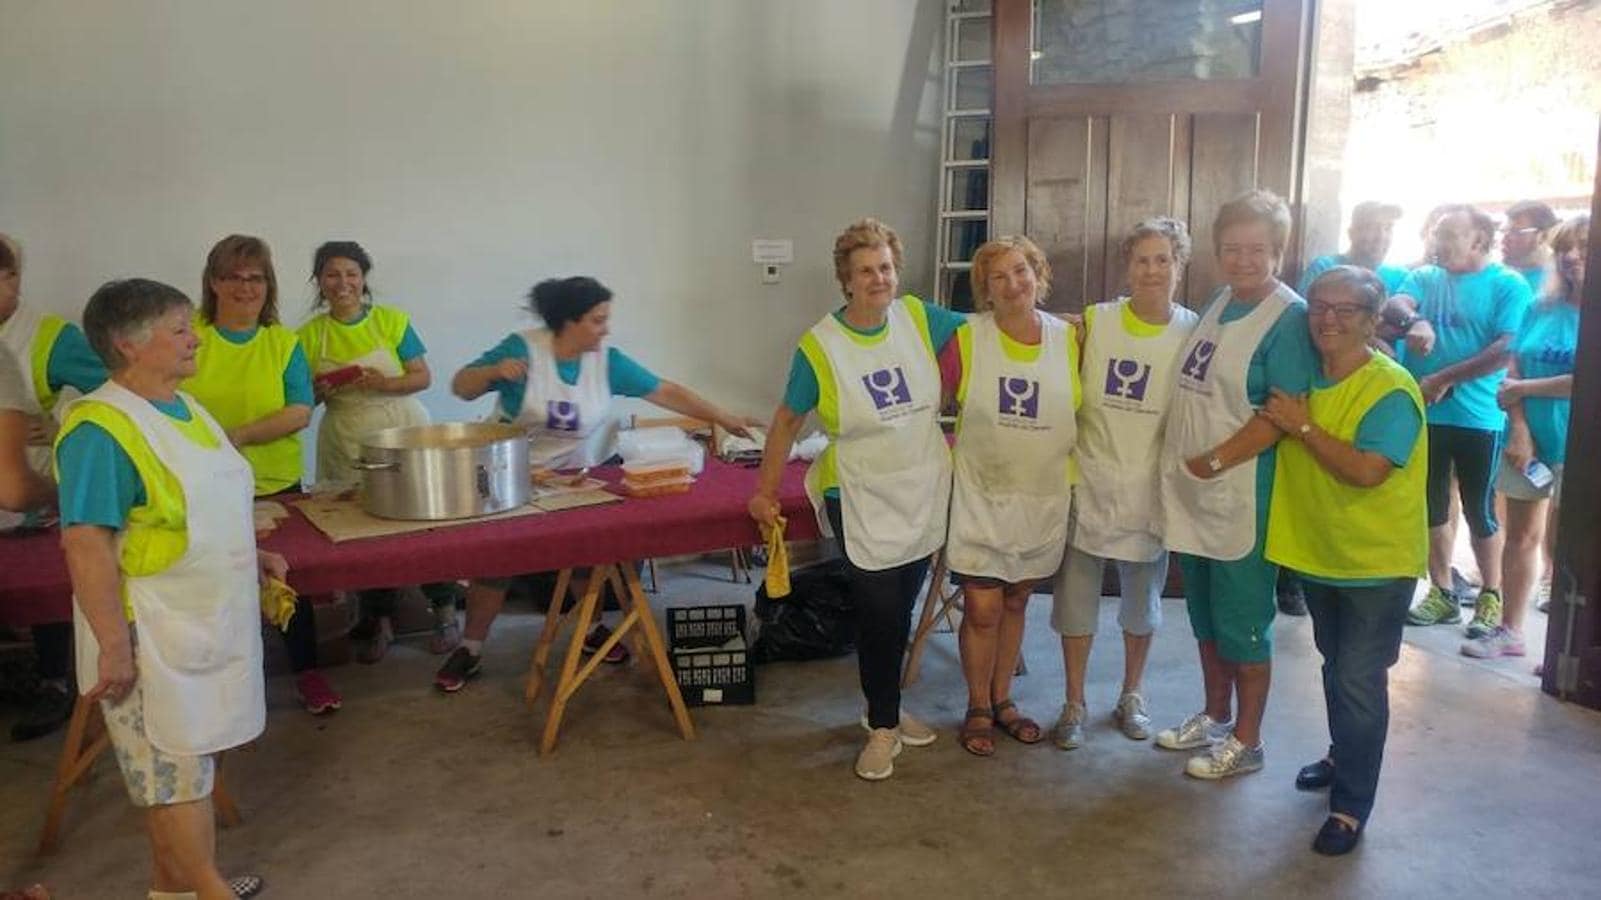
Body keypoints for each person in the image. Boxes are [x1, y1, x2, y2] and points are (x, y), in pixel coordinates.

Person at [57, 278, 269, 898]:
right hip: (151, 637)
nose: (195, 338)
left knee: (195, 766)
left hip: (209, 621)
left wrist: (255, 555)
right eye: (179, 329)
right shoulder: (101, 428)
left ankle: (170, 891)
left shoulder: (187, 409)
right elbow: (86, 543)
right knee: (171, 780)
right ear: (128, 343)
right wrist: (113, 646)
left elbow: (199, 509)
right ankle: (209, 889)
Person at [437, 275, 751, 692]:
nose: (606, 329)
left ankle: (591, 631)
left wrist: (725, 417)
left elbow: (667, 391)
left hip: (577, 475)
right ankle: (471, 648)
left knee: (590, 555)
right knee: (496, 566)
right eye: (597, 320)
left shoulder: (608, 361)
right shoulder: (523, 348)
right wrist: (494, 372)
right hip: (511, 474)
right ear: (568, 322)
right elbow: (460, 386)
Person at [748, 218, 964, 781]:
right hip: (860, 493)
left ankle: (881, 711)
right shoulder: (821, 346)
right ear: (846, 280)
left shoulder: (919, 317)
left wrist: (1058, 326)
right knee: (879, 612)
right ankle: (885, 725)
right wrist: (764, 491)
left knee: (901, 608)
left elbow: (991, 333)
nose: (879, 279)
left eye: (886, 267)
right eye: (866, 271)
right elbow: (788, 419)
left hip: (920, 487)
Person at [1262, 265, 1427, 856]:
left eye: (1345, 310)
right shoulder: (1312, 377)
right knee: (1337, 666)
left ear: (1373, 320)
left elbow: (1366, 471)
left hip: (1376, 565)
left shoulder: (1390, 389)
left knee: (1358, 680)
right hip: (1323, 554)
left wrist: (1301, 425)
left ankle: (1351, 807)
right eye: (1319, 307)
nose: (1328, 319)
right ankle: (1341, 756)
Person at [1155, 189, 1317, 780]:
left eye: (1256, 250)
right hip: (1196, 490)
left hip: (1242, 494)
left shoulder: (1289, 318)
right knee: (1203, 615)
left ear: (1278, 249)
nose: (1242, 260)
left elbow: (1281, 413)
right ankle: (1215, 714)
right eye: (1231, 249)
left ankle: (1248, 741)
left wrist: (1216, 461)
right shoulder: (1221, 300)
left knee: (1245, 623)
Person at [1051, 218, 1199, 750]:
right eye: (1143, 259)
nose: (1153, 270)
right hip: (1090, 481)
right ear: (1127, 265)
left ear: (1180, 266)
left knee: (1142, 603)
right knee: (1076, 601)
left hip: (1149, 491)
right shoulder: (1096, 322)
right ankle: (1073, 701)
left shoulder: (1192, 332)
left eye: (1164, 260)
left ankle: (1131, 694)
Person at [181, 235, 339, 716]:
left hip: (274, 485)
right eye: (233, 277)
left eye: (256, 278)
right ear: (213, 282)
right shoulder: (190, 335)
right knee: (212, 584)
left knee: (290, 586)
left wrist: (237, 436)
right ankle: (220, 685)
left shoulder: (282, 342)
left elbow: (299, 410)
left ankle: (307, 671)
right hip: (201, 485)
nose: (245, 287)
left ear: (268, 285)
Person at [943, 236, 1077, 757]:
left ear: (1037, 275)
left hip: (1041, 496)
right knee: (981, 608)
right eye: (999, 277)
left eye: (1021, 271)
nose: (1013, 283)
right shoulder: (966, 338)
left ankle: (1004, 700)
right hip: (983, 495)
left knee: (1018, 599)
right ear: (985, 290)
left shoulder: (1070, 339)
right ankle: (976, 704)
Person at [297, 241, 461, 661]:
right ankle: (379, 620)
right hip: (346, 434)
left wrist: (381, 383)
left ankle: (443, 609)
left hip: (403, 427)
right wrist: (321, 389)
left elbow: (422, 376)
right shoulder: (307, 335)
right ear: (319, 281)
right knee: (362, 532)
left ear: (364, 278)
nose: (343, 283)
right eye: (332, 274)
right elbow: (302, 400)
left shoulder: (392, 321)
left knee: (425, 524)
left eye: (351, 274)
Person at [1385, 206, 1534, 637]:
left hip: (1478, 417)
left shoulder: (1507, 284)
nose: (1440, 241)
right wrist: (1416, 320)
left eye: (1450, 233)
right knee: (1431, 506)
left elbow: (1506, 347)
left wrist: (1443, 377)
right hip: (1426, 414)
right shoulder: (1427, 278)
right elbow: (1398, 303)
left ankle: (1490, 595)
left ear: (1479, 241)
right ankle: (1443, 592)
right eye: (1436, 233)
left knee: (1479, 509)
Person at [0, 233, 109, 742]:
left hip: (31, 495)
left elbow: (115, 395)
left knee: (47, 594)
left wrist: (60, 423)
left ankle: (52, 679)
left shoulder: (50, 336)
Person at [1467, 213, 1587, 659]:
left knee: (1570, 546)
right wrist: (1519, 428)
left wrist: (1524, 389)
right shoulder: (1541, 306)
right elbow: (1513, 368)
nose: (1572, 257)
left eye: (1584, 247)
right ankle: (1510, 631)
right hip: (1529, 444)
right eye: (1564, 250)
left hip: (1582, 447)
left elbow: (1585, 379)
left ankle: (1564, 650)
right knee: (1520, 537)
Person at [1297, 201, 1408, 297]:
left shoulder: (1400, 277)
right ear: (1352, 233)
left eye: (1388, 228)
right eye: (1372, 227)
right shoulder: (1323, 269)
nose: (1381, 237)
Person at [1500, 200, 1560, 293]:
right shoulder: (1498, 277)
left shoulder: (1558, 285)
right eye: (1504, 231)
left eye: (1516, 232)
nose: (1505, 239)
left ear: (1543, 236)